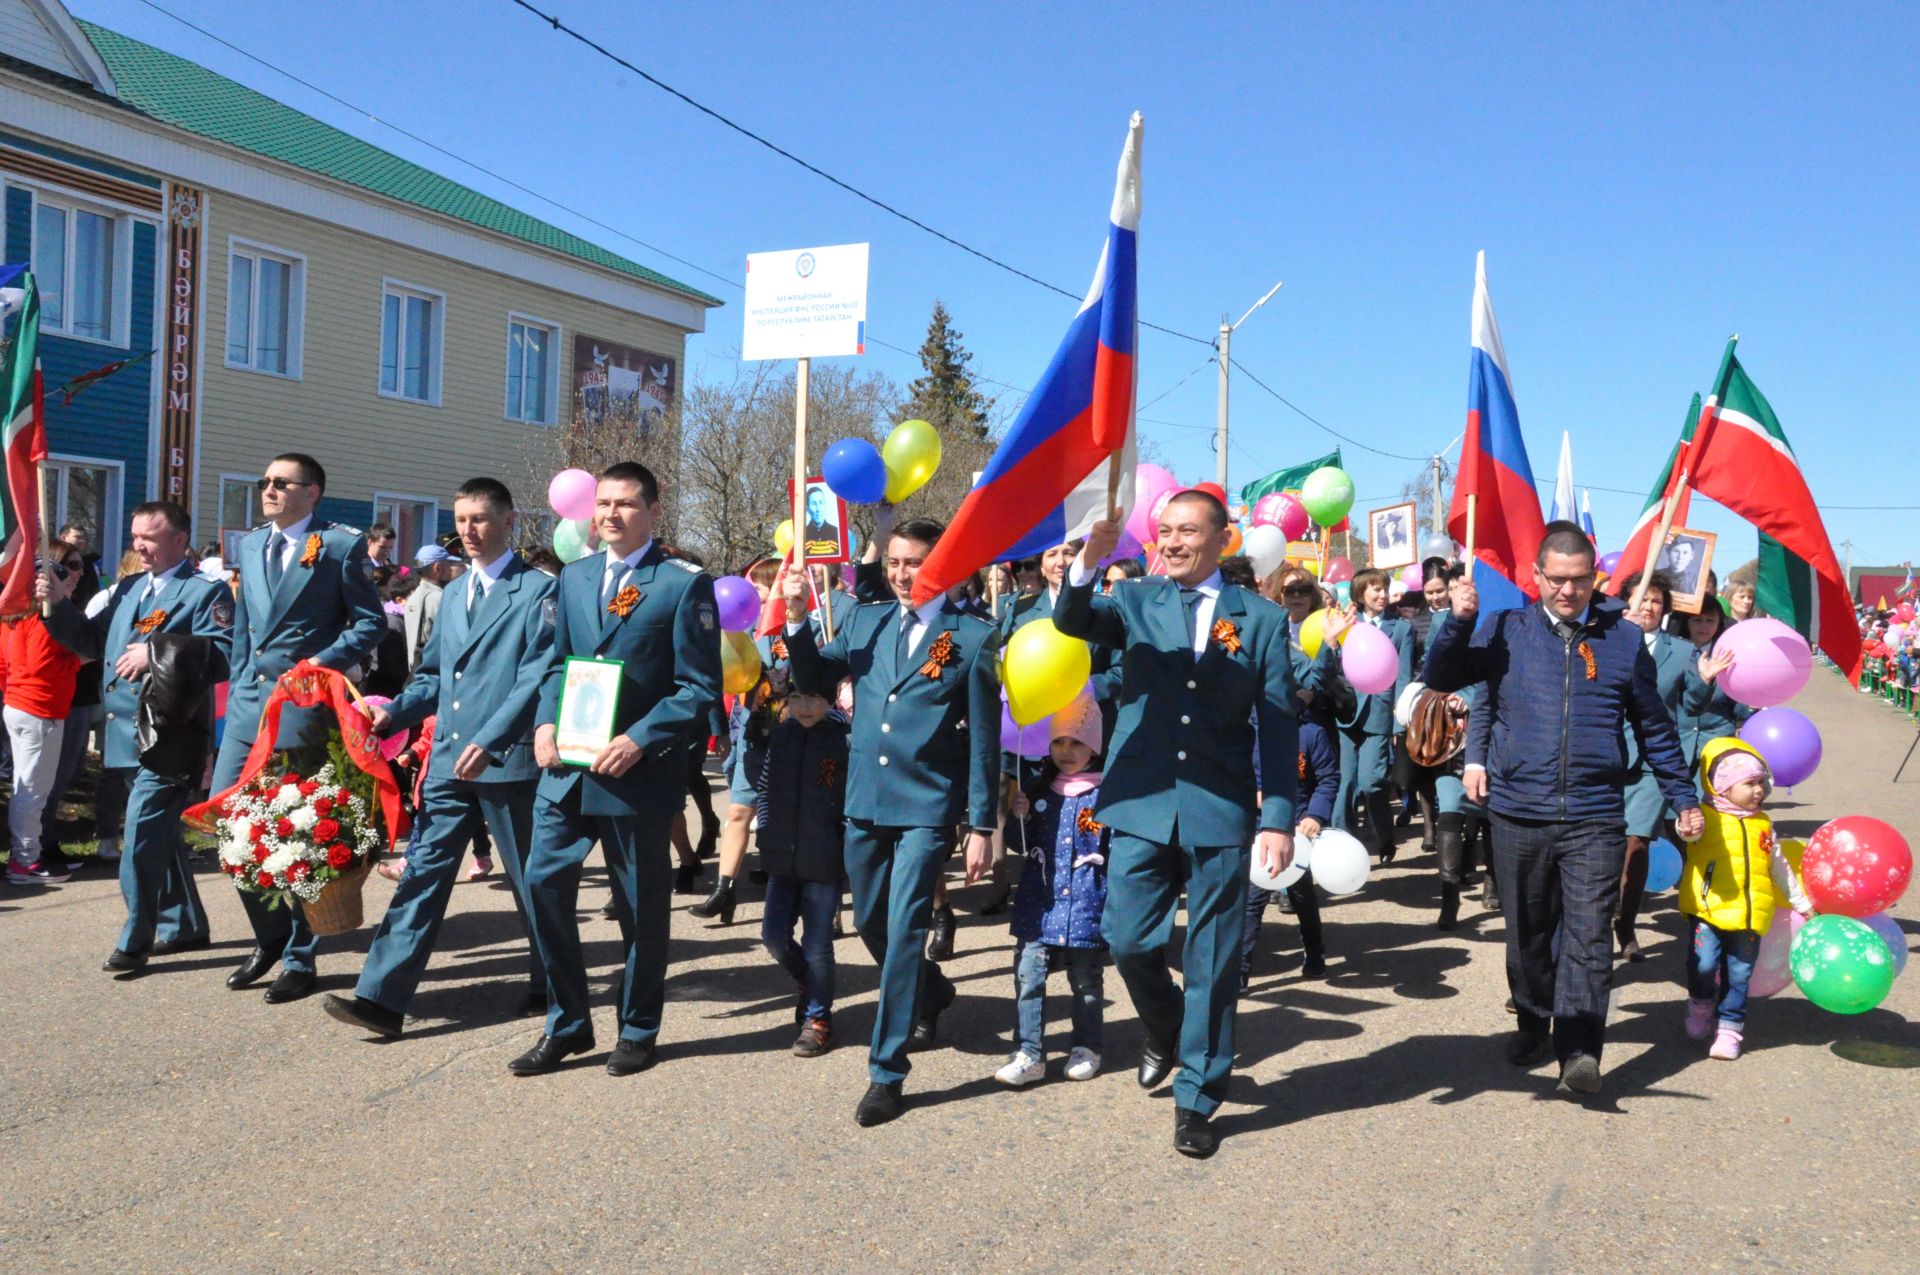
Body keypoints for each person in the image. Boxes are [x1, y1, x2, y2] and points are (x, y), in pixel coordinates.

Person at [1424, 521, 1703, 1098]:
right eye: (1557, 580)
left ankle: (1579, 1048)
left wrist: (1682, 797)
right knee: (1528, 935)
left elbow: (1655, 727)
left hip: (1596, 813)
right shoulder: (1505, 630)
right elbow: (1440, 676)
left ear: (1594, 577)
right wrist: (1458, 619)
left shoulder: (1622, 640)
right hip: (1518, 811)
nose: (1568, 592)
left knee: (1587, 936)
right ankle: (1532, 1021)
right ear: (1537, 576)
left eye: (1579, 581)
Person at [1058, 491, 1297, 1158]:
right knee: (1128, 938)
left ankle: (1197, 1095)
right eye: (1163, 530)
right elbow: (1076, 619)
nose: (1171, 541)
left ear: (1224, 538)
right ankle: (1163, 1025)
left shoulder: (1262, 620)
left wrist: (1278, 814)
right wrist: (1086, 564)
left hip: (1218, 808)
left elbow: (1277, 728)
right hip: (1140, 799)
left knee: (1214, 960)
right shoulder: (1137, 601)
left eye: (1188, 530)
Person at [781, 513, 1000, 1128]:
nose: (905, 575)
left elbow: (985, 741)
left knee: (904, 929)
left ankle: (887, 1070)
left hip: (926, 807)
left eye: (918, 563)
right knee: (872, 922)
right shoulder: (866, 619)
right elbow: (815, 679)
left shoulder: (973, 637)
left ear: (945, 567)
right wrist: (797, 617)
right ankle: (931, 991)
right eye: (897, 562)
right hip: (865, 798)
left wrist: (982, 825)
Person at [322, 478, 558, 1039]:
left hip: (508, 759)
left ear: (509, 524)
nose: (468, 532)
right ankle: (381, 996)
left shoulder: (537, 592)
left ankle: (552, 978)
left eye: (480, 519)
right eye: (460, 520)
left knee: (531, 879)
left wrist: (495, 737)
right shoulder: (452, 594)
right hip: (452, 755)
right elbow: (432, 673)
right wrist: (395, 714)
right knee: (423, 874)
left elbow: (537, 675)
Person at [510, 462, 721, 1078]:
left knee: (639, 907)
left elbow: (697, 687)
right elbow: (554, 664)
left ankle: (637, 1027)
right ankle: (568, 1024)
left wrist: (639, 737)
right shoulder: (573, 578)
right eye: (603, 503)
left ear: (653, 512)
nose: (610, 514)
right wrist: (544, 723)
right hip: (568, 769)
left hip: (635, 773)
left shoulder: (681, 584)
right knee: (543, 888)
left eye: (626, 504)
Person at [211, 454, 386, 1003]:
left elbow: (370, 622)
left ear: (312, 493)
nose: (268, 490)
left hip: (303, 706)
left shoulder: (338, 545)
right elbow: (244, 628)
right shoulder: (252, 544)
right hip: (248, 708)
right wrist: (240, 681)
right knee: (228, 821)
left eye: (281, 483)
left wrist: (319, 664)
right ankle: (270, 936)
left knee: (296, 830)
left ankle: (300, 956)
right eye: (264, 481)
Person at [40, 501, 232, 965]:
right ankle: (183, 926)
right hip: (123, 732)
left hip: (170, 735)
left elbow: (224, 652)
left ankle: (134, 938)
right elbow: (90, 642)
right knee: (159, 836)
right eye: (135, 537)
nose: (138, 546)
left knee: (141, 834)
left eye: (149, 537)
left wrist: (158, 651)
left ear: (180, 541)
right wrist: (59, 603)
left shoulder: (206, 592)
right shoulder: (129, 588)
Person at [995, 691, 1109, 1086]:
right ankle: (1029, 1052)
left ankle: (1086, 1046)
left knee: (1086, 981)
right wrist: (1018, 816)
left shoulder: (1106, 794)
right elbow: (1017, 843)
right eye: (1058, 741)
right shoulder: (1041, 790)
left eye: (1076, 741)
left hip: (1087, 902)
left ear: (1094, 746)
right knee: (1028, 976)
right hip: (1038, 902)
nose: (1066, 750)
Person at [1678, 738, 1810, 1060]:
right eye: (1749, 784)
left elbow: (1777, 865)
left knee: (1739, 974)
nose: (1758, 791)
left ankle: (1729, 1030)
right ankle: (1700, 1003)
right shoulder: (1706, 817)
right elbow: (1689, 835)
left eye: (1761, 783)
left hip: (1751, 914)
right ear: (1723, 787)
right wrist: (1687, 826)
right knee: (1704, 964)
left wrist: (1803, 903)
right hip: (1708, 909)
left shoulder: (1764, 824)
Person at [755, 685, 849, 1057]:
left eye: (814, 698)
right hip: (781, 855)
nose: (805, 707)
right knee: (774, 937)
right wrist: (765, 830)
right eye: (796, 698)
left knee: (817, 946)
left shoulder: (843, 739)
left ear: (831, 700)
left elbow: (850, 798)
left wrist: (840, 841)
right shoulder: (782, 736)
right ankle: (809, 985)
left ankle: (818, 1019)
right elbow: (764, 789)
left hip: (822, 857)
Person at [1612, 572, 1693, 962]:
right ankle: (1597, 920)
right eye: (1641, 599)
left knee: (1635, 846)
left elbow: (1692, 705)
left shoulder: (1681, 652)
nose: (1647, 606)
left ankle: (1625, 926)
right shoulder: (1605, 641)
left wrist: (1707, 680)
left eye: (1656, 601)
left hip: (1649, 764)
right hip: (1605, 760)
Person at [1239, 699, 1337, 986]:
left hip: (1297, 832)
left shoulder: (1311, 734)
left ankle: (1315, 952)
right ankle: (1241, 970)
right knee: (1251, 900)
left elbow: (1328, 778)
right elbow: (1232, 774)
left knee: (1302, 896)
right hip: (1258, 829)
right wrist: (1251, 793)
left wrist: (1316, 815)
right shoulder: (1245, 731)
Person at [2, 560, 87, 886]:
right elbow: (43, 665)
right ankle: (25, 861)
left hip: (19, 704)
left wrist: (12, 691)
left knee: (26, 786)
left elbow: (3, 665)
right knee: (33, 790)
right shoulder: (44, 620)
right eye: (65, 583)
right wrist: (78, 660)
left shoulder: (12, 617)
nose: (70, 588)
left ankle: (26, 854)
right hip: (40, 708)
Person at [1325, 568, 1416, 862]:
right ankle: (1341, 844)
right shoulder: (1347, 624)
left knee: (1370, 782)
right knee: (1345, 782)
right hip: (1347, 713)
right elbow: (1335, 666)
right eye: (1374, 589)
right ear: (1360, 594)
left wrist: (1398, 722)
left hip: (1379, 715)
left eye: (1384, 589)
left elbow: (1402, 678)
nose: (1381, 595)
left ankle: (1384, 837)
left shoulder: (1401, 629)